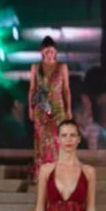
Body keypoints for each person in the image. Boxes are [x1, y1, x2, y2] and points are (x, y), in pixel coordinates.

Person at [28, 37, 71, 175]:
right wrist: (30, 108)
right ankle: (41, 172)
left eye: (52, 51)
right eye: (47, 51)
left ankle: (58, 170)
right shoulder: (36, 67)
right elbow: (32, 88)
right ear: (42, 52)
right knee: (41, 138)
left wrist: (69, 109)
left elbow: (66, 89)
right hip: (41, 106)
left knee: (57, 138)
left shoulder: (62, 67)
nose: (49, 54)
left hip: (58, 107)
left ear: (56, 52)